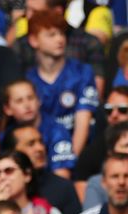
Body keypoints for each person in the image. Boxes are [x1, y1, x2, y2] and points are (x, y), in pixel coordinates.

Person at [25, 10, 98, 155]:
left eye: (61, 33)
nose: (59, 39)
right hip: (40, 153)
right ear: (33, 40)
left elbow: (83, 123)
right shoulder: (27, 79)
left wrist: (69, 161)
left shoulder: (82, 72)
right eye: (51, 35)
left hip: (78, 153)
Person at [0, 78, 76, 178]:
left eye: (30, 98)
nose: (27, 105)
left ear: (39, 100)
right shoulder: (6, 134)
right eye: (19, 101)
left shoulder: (57, 131)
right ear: (7, 109)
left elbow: (62, 178)